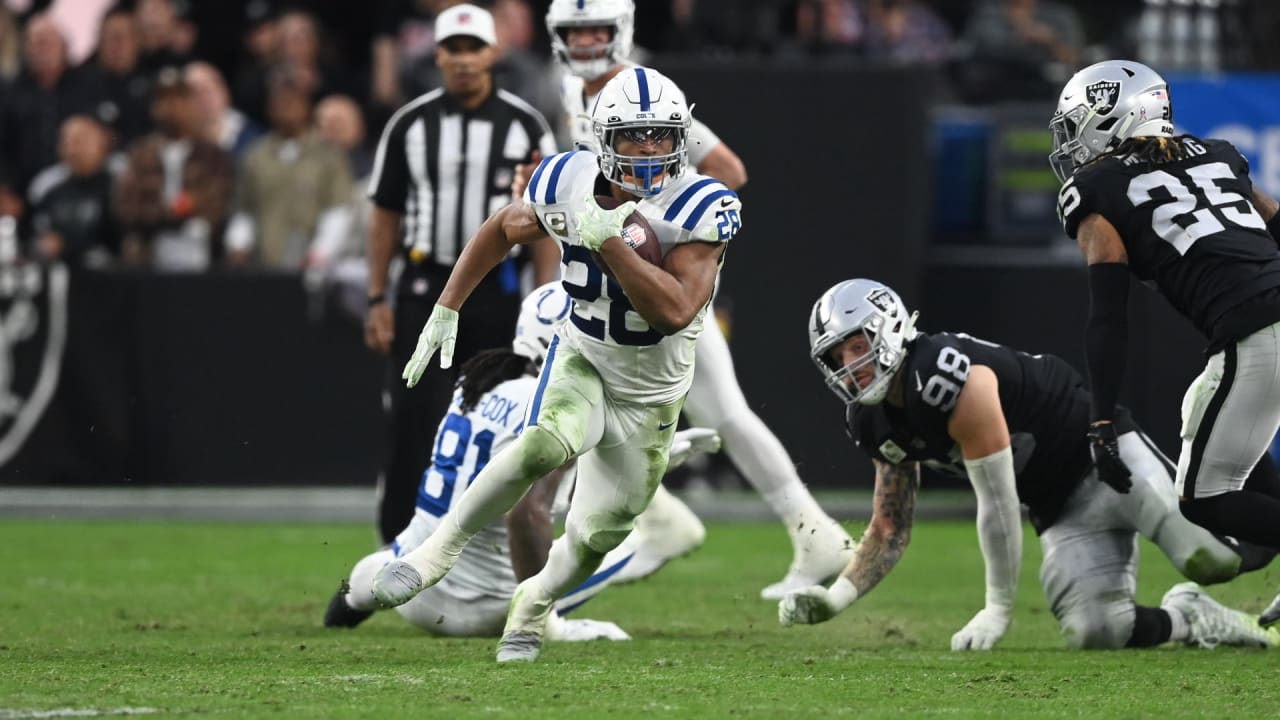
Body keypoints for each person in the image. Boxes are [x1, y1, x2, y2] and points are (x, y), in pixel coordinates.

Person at [369, 66, 740, 662]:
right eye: (633, 136)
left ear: (680, 139)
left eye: (661, 136)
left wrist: (607, 240)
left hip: (651, 392)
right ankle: (436, 550)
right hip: (585, 357)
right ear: (602, 139)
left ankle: (534, 605)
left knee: (597, 535)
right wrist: (447, 307)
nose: (648, 149)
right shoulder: (566, 177)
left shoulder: (701, 204)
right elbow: (502, 227)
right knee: (543, 444)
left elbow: (674, 310)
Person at [540, 0, 853, 599]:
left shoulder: (646, 97)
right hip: (613, 285)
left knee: (717, 411)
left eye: (595, 31)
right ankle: (776, 530)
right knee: (634, 409)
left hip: (652, 283)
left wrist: (655, 235)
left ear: (622, 32)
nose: (583, 43)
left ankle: (802, 532)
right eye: (572, 32)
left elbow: (728, 171)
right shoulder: (573, 91)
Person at [778, 279, 1279, 651]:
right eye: (837, 355)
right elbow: (890, 529)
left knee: (1212, 559)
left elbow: (996, 503)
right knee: (1097, 630)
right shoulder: (871, 422)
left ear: (887, 328)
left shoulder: (944, 374)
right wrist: (835, 598)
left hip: (1104, 457)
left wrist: (997, 609)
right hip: (1058, 507)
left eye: (858, 346)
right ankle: (1190, 619)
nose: (851, 365)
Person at [325, 282, 722, 639]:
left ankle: (350, 601)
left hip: (411, 588)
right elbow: (528, 514)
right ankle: (542, 617)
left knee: (376, 570)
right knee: (674, 533)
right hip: (490, 607)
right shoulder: (558, 408)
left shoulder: (478, 381)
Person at [1049, 60, 1280, 625]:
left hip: (1254, 327)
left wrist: (1101, 420)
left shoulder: (1094, 187)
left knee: (1205, 498)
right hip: (1263, 316)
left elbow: (1108, 314)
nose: (1071, 141)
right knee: (1208, 421)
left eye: (1078, 123)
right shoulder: (1220, 154)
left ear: (1114, 116)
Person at [365, 3, 560, 547]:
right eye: (454, 49)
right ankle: (397, 541)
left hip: (497, 292)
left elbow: (545, 218)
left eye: (475, 48)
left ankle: (479, 542)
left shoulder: (525, 124)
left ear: (494, 53)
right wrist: (377, 296)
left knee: (494, 415)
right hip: (425, 286)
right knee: (411, 415)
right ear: (438, 55)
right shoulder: (410, 123)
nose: (465, 60)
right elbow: (384, 214)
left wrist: (543, 299)